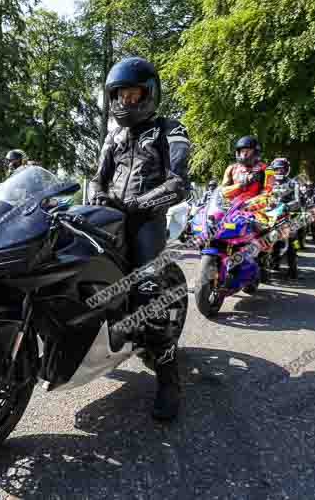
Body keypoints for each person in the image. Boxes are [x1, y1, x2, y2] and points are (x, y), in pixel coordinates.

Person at [89, 56, 191, 421]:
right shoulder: (113, 136)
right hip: (110, 217)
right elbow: (98, 178)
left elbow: (179, 182)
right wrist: (98, 195)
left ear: (149, 94)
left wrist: (139, 203)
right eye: (119, 95)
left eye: (134, 95)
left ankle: (169, 381)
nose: (125, 102)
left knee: (148, 292)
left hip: (147, 220)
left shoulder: (171, 128)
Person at [220, 135, 274, 280]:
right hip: (231, 207)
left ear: (255, 152)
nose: (244, 154)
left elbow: (268, 191)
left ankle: (262, 261)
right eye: (241, 150)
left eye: (248, 151)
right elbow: (223, 191)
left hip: (254, 207)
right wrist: (241, 184)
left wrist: (253, 203)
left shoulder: (265, 169)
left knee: (264, 228)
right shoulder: (231, 168)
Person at [266, 157, 300, 278]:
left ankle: (293, 265)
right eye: (277, 169)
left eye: (282, 169)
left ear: (287, 170)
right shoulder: (267, 183)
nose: (279, 171)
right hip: (267, 215)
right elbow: (259, 196)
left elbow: (297, 201)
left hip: (285, 215)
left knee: (292, 237)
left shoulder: (293, 183)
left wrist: (287, 206)